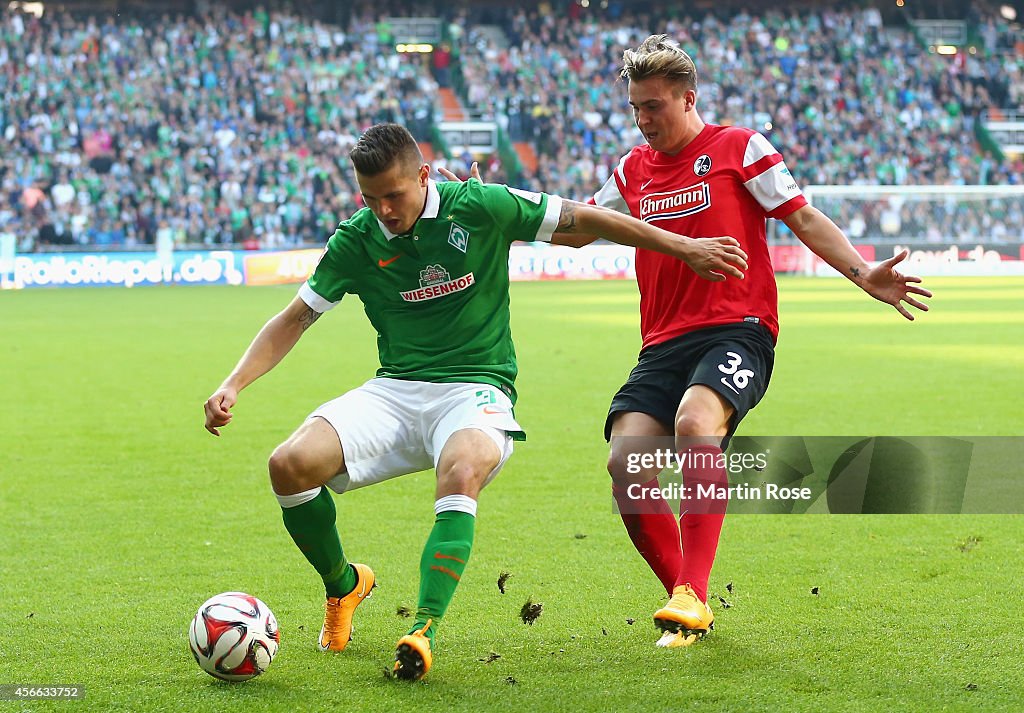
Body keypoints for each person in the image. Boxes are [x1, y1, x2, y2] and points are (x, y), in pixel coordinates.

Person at [203, 123, 748, 680]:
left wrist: (684, 246)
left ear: (422, 175)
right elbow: (295, 318)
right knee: (288, 466)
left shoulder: (481, 206)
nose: (384, 210)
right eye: (371, 198)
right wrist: (234, 383)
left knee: (461, 470)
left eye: (394, 194)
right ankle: (345, 586)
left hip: (476, 391)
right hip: (395, 389)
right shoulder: (357, 239)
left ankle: (423, 628)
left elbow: (586, 219)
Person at [443, 35, 933, 649]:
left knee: (696, 423)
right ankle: (686, 598)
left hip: (738, 327)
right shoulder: (631, 169)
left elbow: (803, 217)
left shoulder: (740, 148)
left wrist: (864, 275)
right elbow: (579, 228)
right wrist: (494, 205)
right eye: (635, 109)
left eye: (653, 106)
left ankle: (693, 592)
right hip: (662, 343)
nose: (643, 120)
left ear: (687, 98)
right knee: (626, 463)